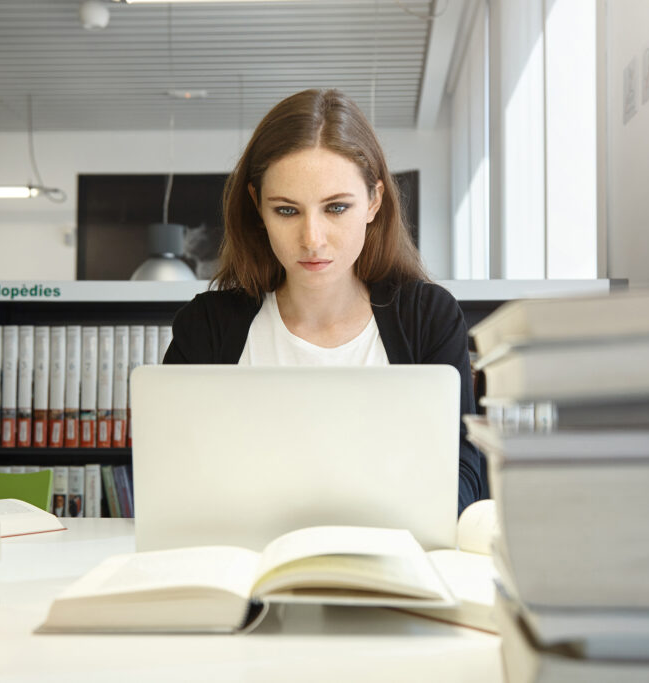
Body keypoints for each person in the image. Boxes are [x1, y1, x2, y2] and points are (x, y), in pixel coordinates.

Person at [163, 88, 487, 514]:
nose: (312, 239)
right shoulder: (206, 327)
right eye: (286, 211)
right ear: (257, 206)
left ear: (374, 200)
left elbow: (463, 471)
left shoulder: (428, 317)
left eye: (335, 208)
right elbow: (169, 476)